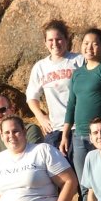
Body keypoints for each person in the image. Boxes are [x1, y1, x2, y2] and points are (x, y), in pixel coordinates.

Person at [60, 28, 101, 201]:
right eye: (86, 43)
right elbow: (71, 104)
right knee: (84, 185)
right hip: (78, 136)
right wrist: (65, 134)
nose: (89, 47)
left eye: (95, 44)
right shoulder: (77, 73)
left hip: (99, 136)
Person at [26, 19, 82, 150]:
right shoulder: (40, 67)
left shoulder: (78, 61)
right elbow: (31, 96)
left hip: (78, 126)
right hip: (55, 129)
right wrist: (41, 117)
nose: (55, 43)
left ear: (66, 39)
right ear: (45, 42)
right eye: (50, 40)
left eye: (59, 39)